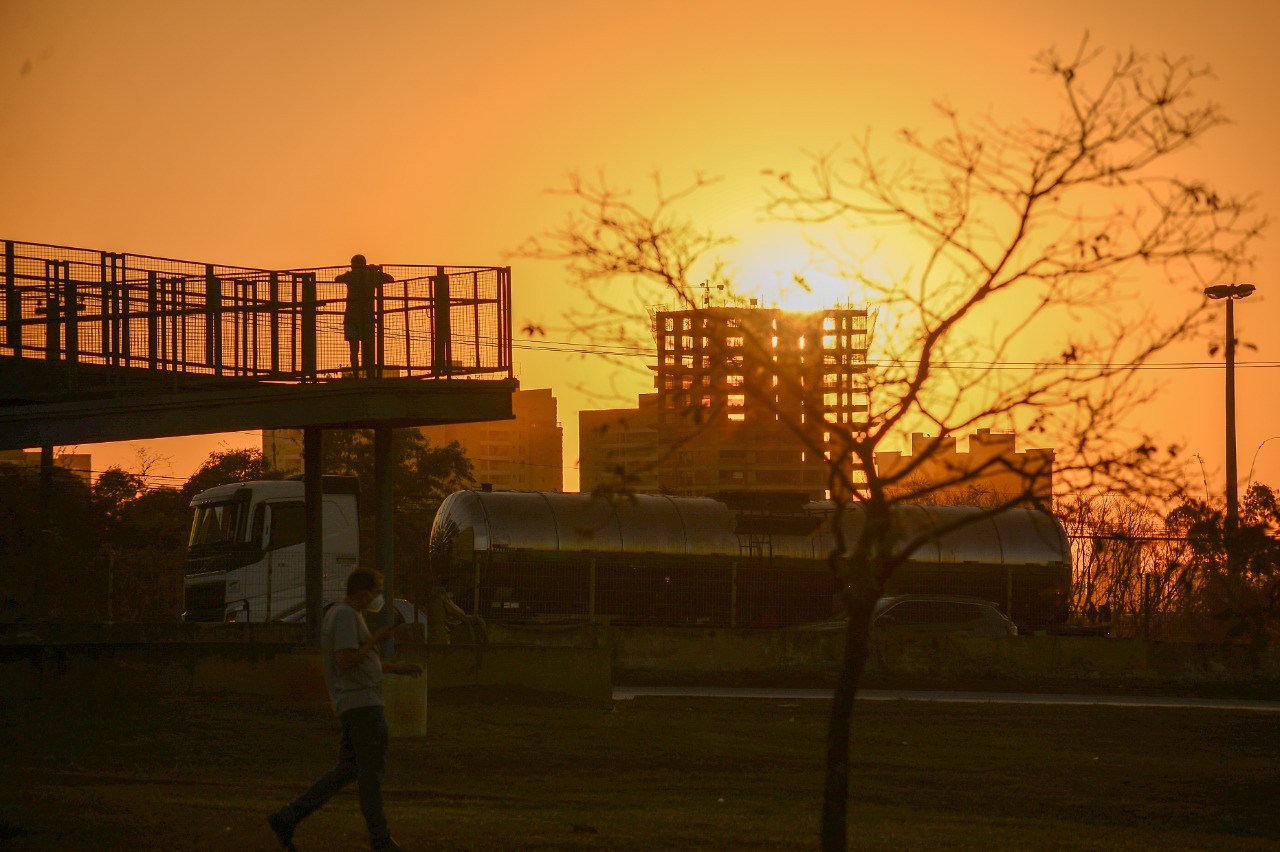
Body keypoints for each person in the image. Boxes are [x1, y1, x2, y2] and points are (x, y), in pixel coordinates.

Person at [268, 567, 423, 852]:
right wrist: (376, 641)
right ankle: (380, 839)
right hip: (363, 706)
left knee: (348, 769)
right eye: (376, 593)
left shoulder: (346, 617)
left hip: (355, 704)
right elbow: (346, 660)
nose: (378, 599)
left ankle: (289, 816)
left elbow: (358, 661)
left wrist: (396, 668)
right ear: (363, 594)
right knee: (370, 775)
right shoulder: (346, 617)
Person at [336, 254, 394, 378]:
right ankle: (369, 374)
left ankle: (356, 374)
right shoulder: (372, 275)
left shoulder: (350, 276)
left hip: (351, 315)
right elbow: (390, 278)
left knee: (354, 349)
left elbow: (337, 278)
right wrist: (373, 271)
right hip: (367, 316)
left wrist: (352, 273)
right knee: (368, 347)